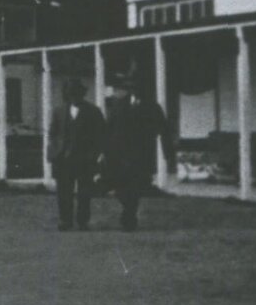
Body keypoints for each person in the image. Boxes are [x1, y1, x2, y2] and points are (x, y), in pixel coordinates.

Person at [101, 74, 178, 232]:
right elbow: (108, 128)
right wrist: (103, 150)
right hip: (119, 154)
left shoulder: (152, 107)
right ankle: (128, 209)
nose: (135, 90)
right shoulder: (118, 104)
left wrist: (168, 153)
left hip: (140, 155)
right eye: (132, 87)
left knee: (134, 187)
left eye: (138, 87)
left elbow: (163, 130)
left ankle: (129, 215)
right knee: (120, 187)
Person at [49, 78, 105, 231]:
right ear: (67, 95)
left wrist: (95, 155)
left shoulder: (93, 111)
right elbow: (53, 134)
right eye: (71, 94)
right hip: (63, 159)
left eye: (77, 94)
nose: (74, 97)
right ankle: (65, 220)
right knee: (63, 192)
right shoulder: (59, 111)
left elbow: (100, 135)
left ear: (82, 95)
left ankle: (82, 220)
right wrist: (54, 152)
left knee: (84, 192)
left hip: (84, 159)